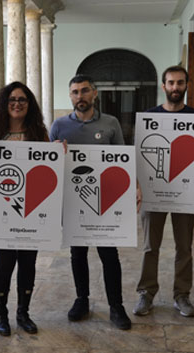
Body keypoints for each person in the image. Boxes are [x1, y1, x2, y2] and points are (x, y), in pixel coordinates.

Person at [50, 74, 137, 330]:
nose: (80, 96)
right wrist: (55, 151)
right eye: (75, 92)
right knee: (77, 254)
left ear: (95, 93)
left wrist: (132, 190)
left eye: (85, 91)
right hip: (74, 201)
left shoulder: (110, 123)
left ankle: (116, 306)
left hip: (106, 201)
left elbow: (122, 160)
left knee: (109, 254)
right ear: (70, 96)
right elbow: (49, 164)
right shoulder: (59, 126)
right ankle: (82, 300)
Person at [0, 81, 54, 336]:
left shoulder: (39, 132)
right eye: (12, 100)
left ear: (29, 104)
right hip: (4, 207)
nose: (17, 104)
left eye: (22, 100)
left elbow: (49, 167)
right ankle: (1, 313)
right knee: (5, 262)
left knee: (28, 262)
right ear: (4, 104)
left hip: (32, 207)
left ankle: (23, 312)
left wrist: (58, 153)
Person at [133, 65, 194, 318]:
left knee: (185, 247)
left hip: (184, 194)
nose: (175, 87)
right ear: (163, 86)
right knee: (151, 246)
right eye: (171, 83)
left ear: (186, 85)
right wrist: (138, 187)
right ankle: (146, 293)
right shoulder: (149, 116)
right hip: (154, 191)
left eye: (180, 83)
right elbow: (139, 156)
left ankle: (182, 295)